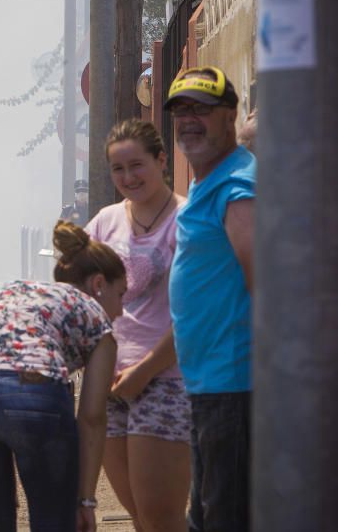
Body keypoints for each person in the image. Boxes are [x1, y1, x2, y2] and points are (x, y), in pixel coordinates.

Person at [0, 221, 124, 532]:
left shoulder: (12, 289)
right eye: (121, 295)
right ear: (99, 283)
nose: (121, 310)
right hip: (35, 394)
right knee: (53, 521)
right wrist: (84, 501)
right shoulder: (98, 319)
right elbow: (92, 417)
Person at [86, 119, 191, 532]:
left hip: (166, 381)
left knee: (161, 520)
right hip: (108, 385)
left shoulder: (187, 221)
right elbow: (85, 301)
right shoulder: (104, 223)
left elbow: (197, 316)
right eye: (118, 169)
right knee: (139, 519)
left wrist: (143, 372)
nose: (128, 178)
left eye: (137, 165)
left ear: (162, 161)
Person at [164, 66, 256, 532]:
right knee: (204, 514)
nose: (188, 120)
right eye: (181, 110)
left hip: (235, 383)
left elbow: (266, 280)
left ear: (230, 117)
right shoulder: (210, 180)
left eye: (201, 109)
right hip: (208, 384)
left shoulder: (237, 186)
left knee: (224, 517)